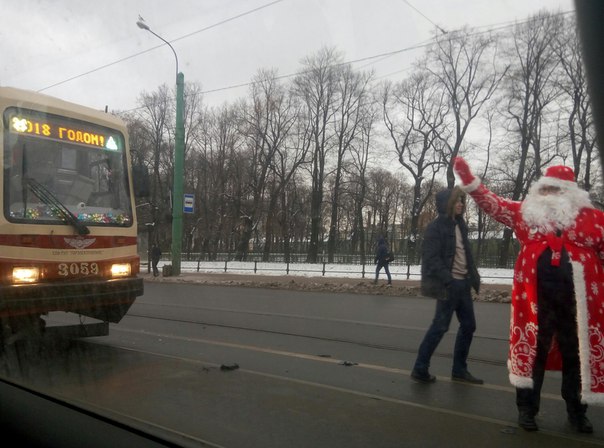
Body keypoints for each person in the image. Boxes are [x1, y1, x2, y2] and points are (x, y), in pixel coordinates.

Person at [453, 156, 604, 433]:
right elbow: (494, 204)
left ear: (570, 193)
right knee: (533, 353)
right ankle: (527, 410)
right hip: (536, 303)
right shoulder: (526, 212)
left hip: (579, 306)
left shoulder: (593, 218)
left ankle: (577, 411)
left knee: (577, 357)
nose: (548, 194)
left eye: (555, 189)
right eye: (545, 189)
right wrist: (471, 183)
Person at [411, 187, 483, 385]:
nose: (461, 204)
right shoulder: (436, 228)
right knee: (439, 327)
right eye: (457, 201)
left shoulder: (461, 225)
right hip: (449, 286)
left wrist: (473, 277)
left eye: (462, 200)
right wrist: (449, 280)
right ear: (447, 204)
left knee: (469, 326)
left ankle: (459, 370)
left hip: (463, 283)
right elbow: (431, 259)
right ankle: (420, 368)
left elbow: (465, 254)